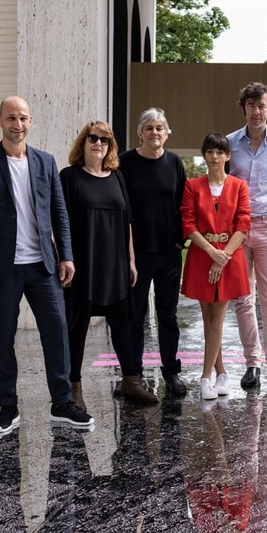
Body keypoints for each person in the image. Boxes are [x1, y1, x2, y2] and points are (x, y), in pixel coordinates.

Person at [0, 95, 92, 433]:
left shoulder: (45, 162)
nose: (17, 124)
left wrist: (66, 255)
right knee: (3, 337)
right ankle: (8, 407)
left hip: (42, 266)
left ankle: (62, 402)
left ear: (30, 121)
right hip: (2, 270)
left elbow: (59, 212)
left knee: (57, 333)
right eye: (11, 118)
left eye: (22, 118)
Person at [60, 120, 158, 407]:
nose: (98, 144)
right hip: (83, 264)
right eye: (93, 138)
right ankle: (74, 387)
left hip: (115, 263)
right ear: (83, 142)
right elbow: (60, 222)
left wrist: (131, 259)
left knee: (123, 323)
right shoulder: (70, 177)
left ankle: (131, 381)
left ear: (110, 146)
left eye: (104, 140)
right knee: (76, 326)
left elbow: (127, 220)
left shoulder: (116, 177)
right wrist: (64, 258)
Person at [226, 82, 267, 393]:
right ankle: (252, 364)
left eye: (262, 105)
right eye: (251, 105)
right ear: (244, 108)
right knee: (243, 298)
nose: (257, 111)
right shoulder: (230, 144)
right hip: (238, 230)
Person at [119, 108, 188, 397]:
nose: (154, 133)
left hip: (168, 253)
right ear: (140, 133)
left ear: (167, 132)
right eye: (149, 128)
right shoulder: (125, 162)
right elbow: (120, 207)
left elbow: (185, 204)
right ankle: (133, 375)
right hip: (136, 255)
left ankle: (171, 372)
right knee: (134, 316)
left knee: (167, 315)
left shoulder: (174, 163)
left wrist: (179, 239)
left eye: (159, 127)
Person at [181, 133, 251, 401]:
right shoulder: (193, 185)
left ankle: (205, 377)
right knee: (208, 317)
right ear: (204, 155)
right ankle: (221, 372)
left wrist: (223, 256)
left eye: (219, 152)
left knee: (217, 318)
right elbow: (188, 224)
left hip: (230, 257)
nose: (214, 156)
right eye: (209, 151)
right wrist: (212, 252)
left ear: (228, 156)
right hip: (202, 256)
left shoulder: (238, 186)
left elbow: (243, 223)